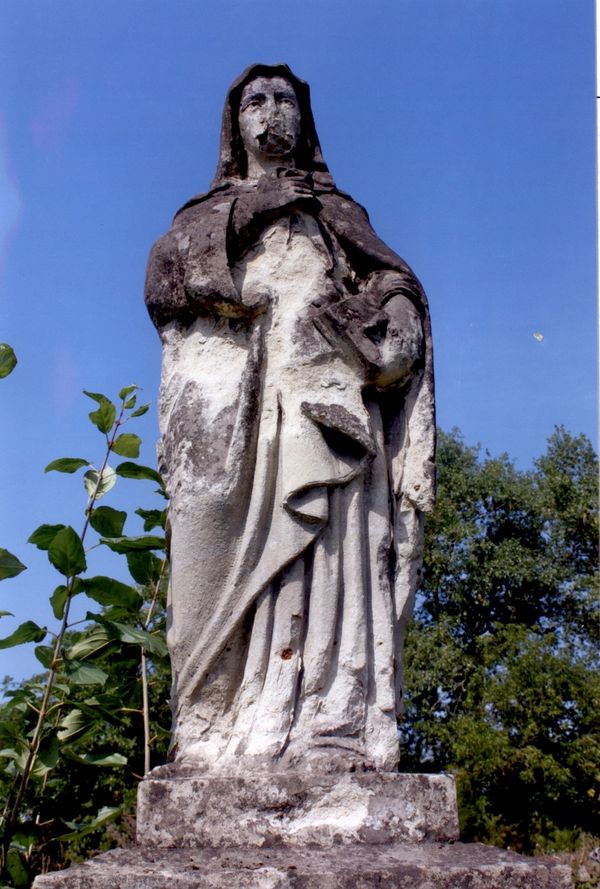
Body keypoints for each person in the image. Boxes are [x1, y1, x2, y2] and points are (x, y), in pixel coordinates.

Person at [145, 64, 435, 772]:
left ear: (306, 120)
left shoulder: (336, 213)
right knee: (203, 548)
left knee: (329, 548)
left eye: (284, 99)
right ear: (234, 123)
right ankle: (209, 724)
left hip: (320, 398)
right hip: (227, 415)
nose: (271, 111)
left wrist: (396, 317)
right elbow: (165, 279)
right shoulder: (204, 213)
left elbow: (394, 282)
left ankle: (328, 717)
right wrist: (263, 204)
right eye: (255, 100)